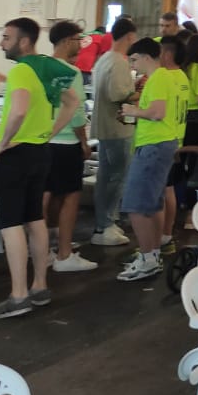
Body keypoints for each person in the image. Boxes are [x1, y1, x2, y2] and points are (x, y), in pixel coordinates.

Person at [0, 17, 81, 320]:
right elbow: (73, 101)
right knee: (35, 218)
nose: (1, 43)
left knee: (11, 224)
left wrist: (3, 142)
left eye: (6, 38)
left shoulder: (22, 70)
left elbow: (20, 109)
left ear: (23, 41)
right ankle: (39, 286)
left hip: (17, 154)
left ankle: (18, 295)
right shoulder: (50, 68)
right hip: (40, 152)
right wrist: (50, 131)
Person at [116, 36, 191, 283]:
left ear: (147, 57)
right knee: (153, 202)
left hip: (154, 144)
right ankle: (153, 253)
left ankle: (147, 256)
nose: (133, 65)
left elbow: (157, 112)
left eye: (135, 60)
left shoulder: (158, 78)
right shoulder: (171, 77)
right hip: (164, 142)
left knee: (135, 204)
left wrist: (132, 111)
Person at [43, 21, 94, 274]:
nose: (81, 44)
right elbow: (76, 113)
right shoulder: (70, 73)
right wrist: (84, 142)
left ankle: (42, 251)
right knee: (71, 198)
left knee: (46, 196)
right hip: (66, 143)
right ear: (65, 41)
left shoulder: (40, 68)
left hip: (43, 141)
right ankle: (64, 254)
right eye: (78, 39)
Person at [89, 17, 137, 247]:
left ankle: (106, 221)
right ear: (130, 36)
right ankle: (105, 224)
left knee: (107, 177)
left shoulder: (104, 59)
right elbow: (118, 94)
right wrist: (139, 92)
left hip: (106, 127)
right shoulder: (118, 61)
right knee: (114, 178)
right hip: (116, 128)